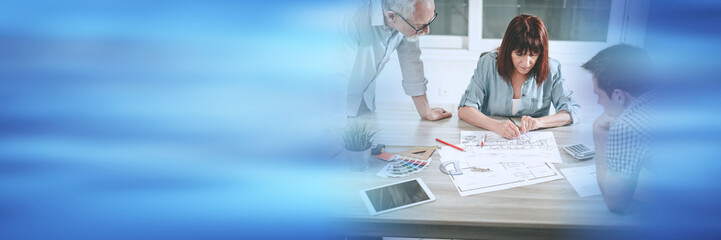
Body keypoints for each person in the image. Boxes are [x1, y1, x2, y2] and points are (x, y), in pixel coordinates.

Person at [458, 14, 580, 139]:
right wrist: (497, 126)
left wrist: (539, 122)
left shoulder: (552, 69)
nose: (526, 63)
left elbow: (572, 111)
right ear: (508, 49)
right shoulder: (488, 64)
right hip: (492, 139)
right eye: (519, 54)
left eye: (533, 54)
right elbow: (465, 110)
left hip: (531, 143)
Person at [341, 0, 451, 120]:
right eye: (421, 26)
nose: (427, 31)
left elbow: (411, 62)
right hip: (334, 102)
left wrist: (426, 112)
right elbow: (335, 78)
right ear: (391, 16)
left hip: (363, 99)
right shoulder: (350, 17)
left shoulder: (404, 18)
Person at [582, 44, 655, 213]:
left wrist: (599, 135)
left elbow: (614, 202)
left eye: (598, 95)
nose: (598, 102)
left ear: (619, 96)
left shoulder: (627, 126)